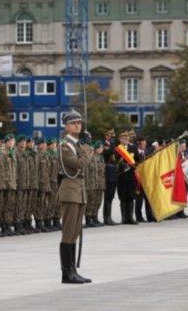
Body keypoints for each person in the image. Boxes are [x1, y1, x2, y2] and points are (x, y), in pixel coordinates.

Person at [57, 110, 91, 284]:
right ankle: (66, 273)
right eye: (74, 123)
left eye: (79, 122)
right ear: (67, 126)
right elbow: (79, 164)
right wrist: (86, 148)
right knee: (68, 233)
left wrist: (84, 148)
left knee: (75, 232)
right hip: (70, 191)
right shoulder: (65, 145)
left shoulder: (77, 145)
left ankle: (73, 270)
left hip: (78, 190)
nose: (78, 125)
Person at [134, 137, 155, 223]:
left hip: (147, 178)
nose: (144, 146)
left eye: (145, 144)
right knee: (139, 200)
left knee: (148, 199)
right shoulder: (134, 153)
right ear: (139, 144)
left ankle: (149, 216)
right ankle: (139, 217)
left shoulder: (146, 152)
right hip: (138, 179)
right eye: (143, 144)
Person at [85, 141, 105, 227]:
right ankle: (88, 219)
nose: (101, 149)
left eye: (102, 148)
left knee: (98, 201)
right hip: (91, 183)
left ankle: (95, 217)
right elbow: (87, 167)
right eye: (99, 148)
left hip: (99, 183)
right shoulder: (91, 157)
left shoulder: (101, 158)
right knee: (91, 201)